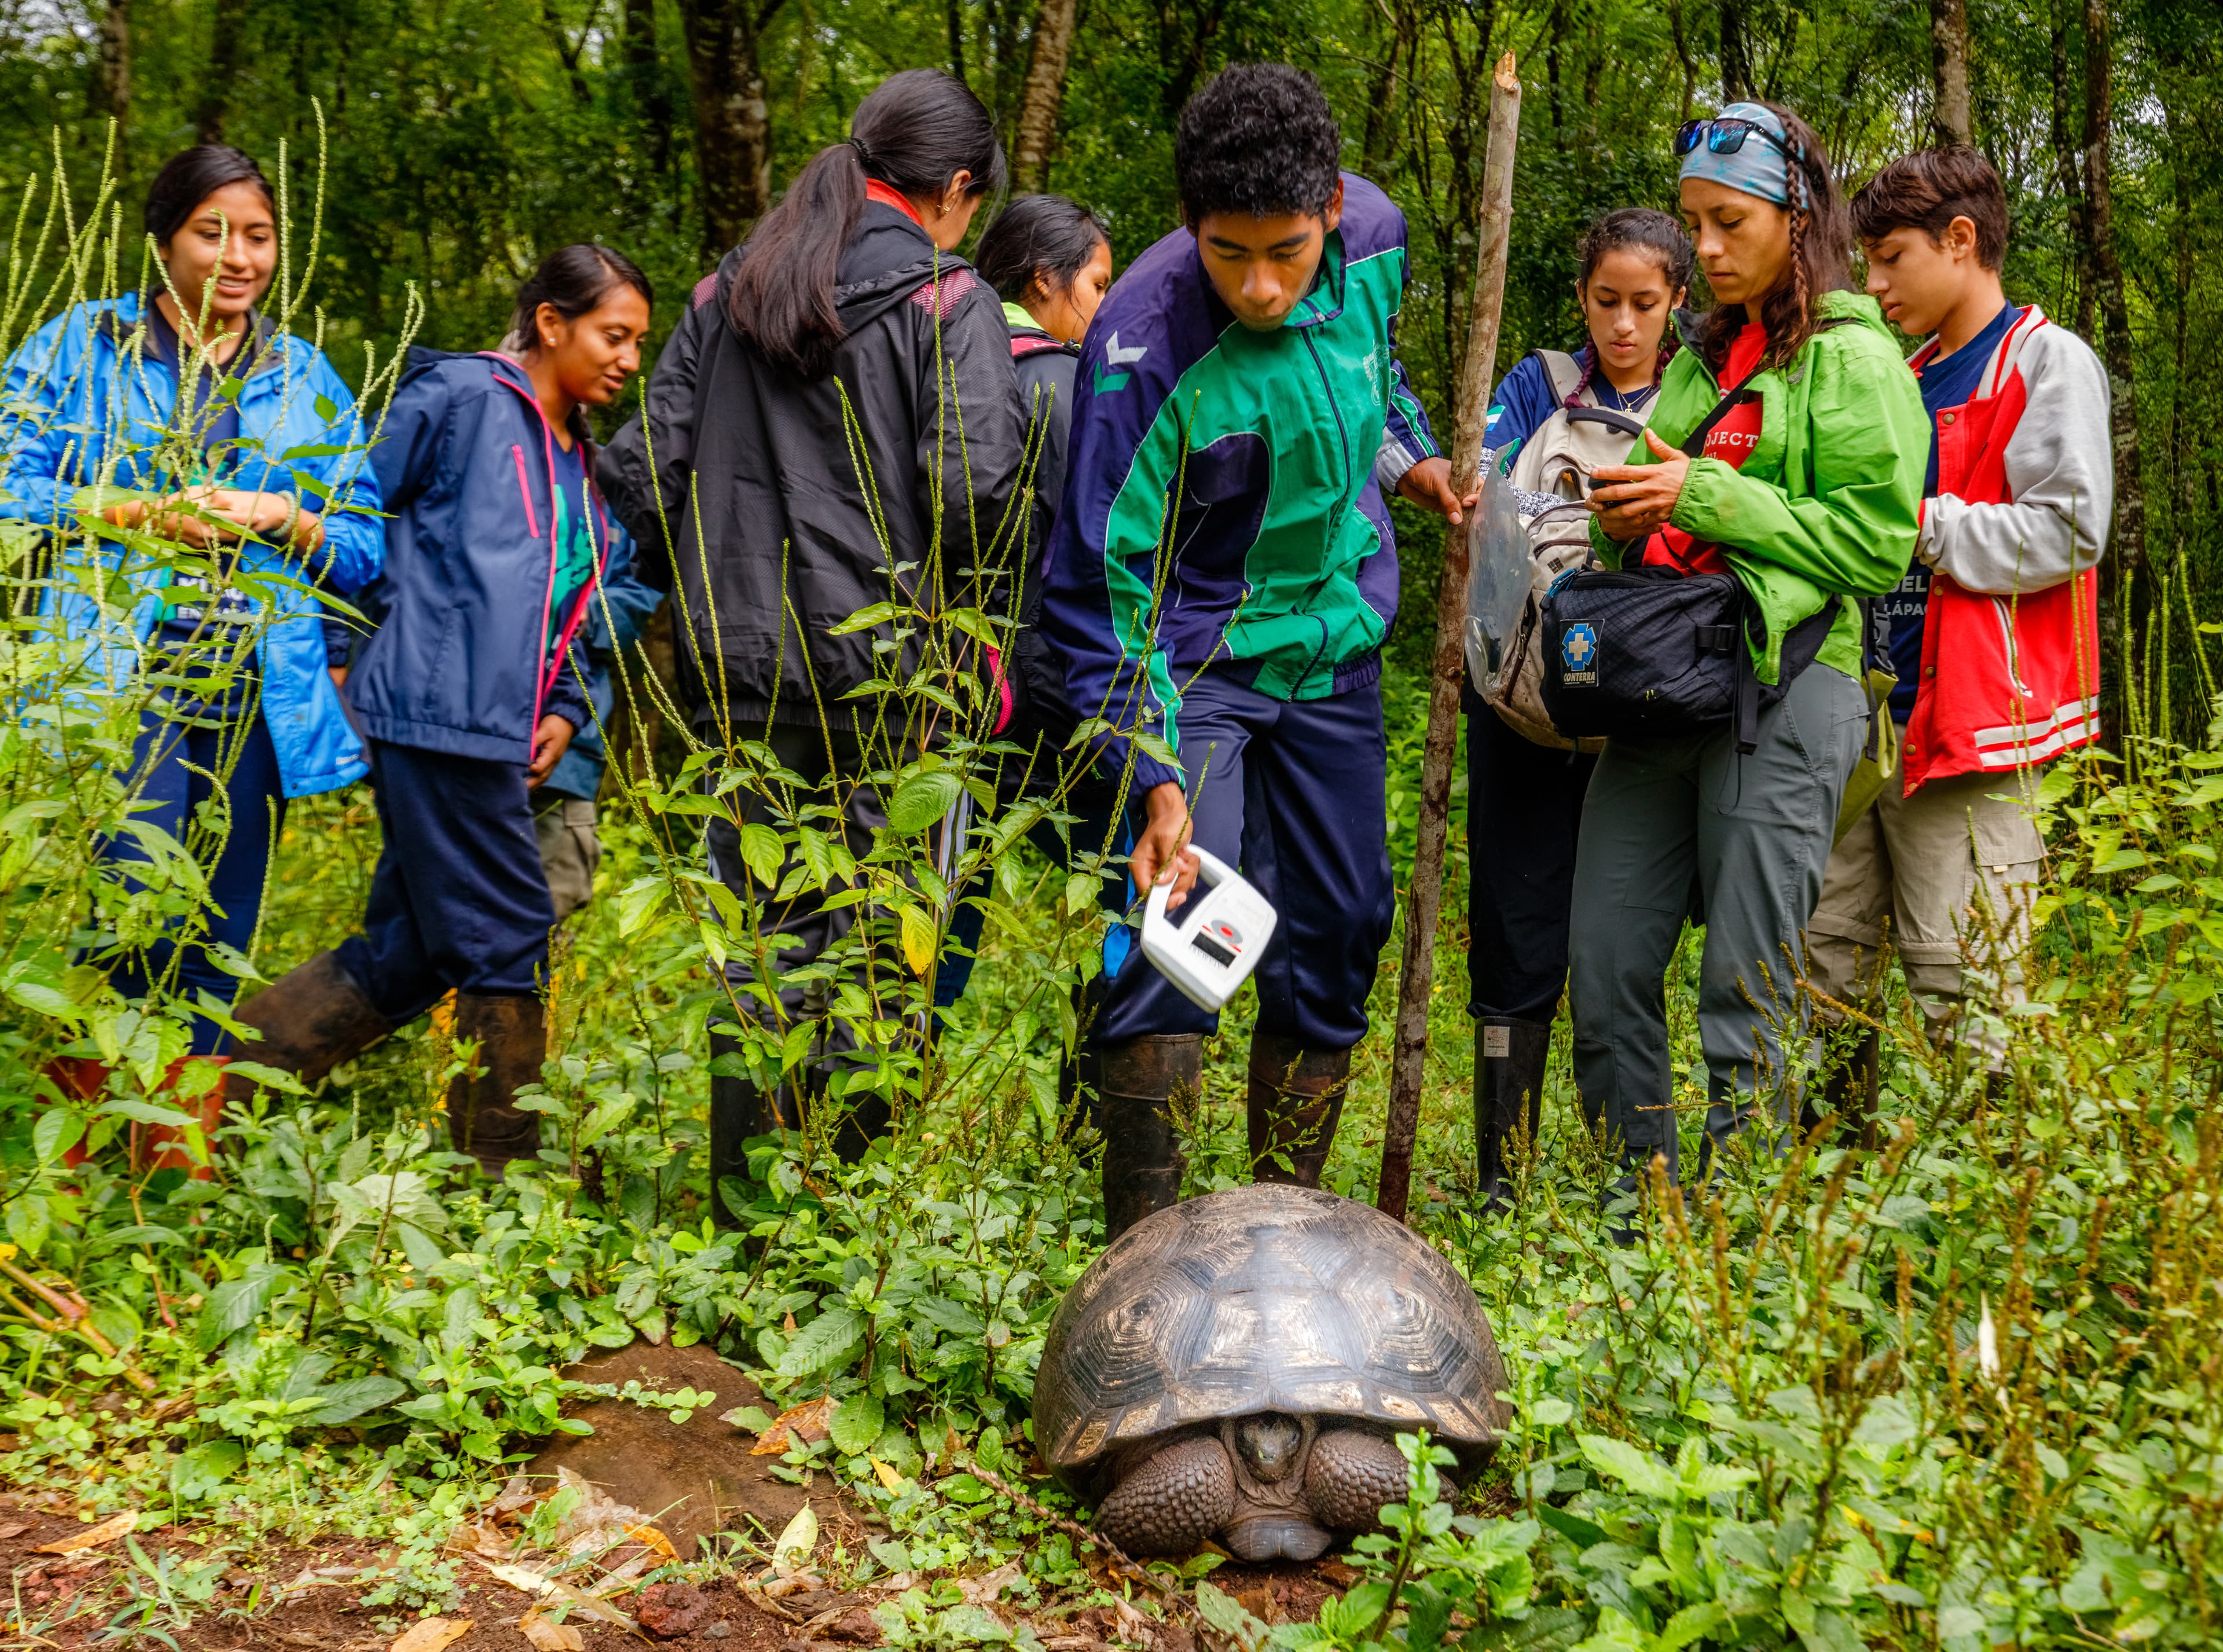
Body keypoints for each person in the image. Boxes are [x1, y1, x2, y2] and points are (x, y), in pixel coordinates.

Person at [1039, 63, 1470, 1238]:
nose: (1265, 286)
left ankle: (1292, 1238)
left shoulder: (1378, 239)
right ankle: (1148, 1247)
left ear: (1331, 207)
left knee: (1339, 924)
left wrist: (1413, 464)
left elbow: (1377, 391)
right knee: (1188, 927)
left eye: (1288, 250)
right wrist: (1154, 768)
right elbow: (1096, 584)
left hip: (1333, 648)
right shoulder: (1138, 346)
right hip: (1197, 672)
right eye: (1231, 256)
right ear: (1190, 229)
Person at [598, 69, 1028, 1201]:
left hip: (733, 674)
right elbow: (977, 490)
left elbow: (641, 473)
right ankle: (840, 1213)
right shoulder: (951, 303)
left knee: (760, 939)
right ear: (956, 190)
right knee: (883, 932)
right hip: (886, 677)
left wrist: (684, 591)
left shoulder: (721, 295)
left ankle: (749, 1212)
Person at [1565, 102, 1927, 1202]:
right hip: (1665, 689)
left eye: (1729, 224)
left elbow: (1876, 542)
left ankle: (1739, 1245)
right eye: (1695, 224)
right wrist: (1620, 521)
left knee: (1746, 982)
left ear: (1797, 215)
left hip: (1789, 688)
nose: (1707, 251)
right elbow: (1650, 497)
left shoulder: (1856, 361)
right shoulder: (1699, 361)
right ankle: (1636, 1211)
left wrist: (1706, 491)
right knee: (1607, 957)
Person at [229, 244, 654, 1176]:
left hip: (505, 731)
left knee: (415, 949)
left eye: (637, 343)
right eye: (613, 336)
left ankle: (214, 1088)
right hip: (430, 709)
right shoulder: (460, 401)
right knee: (509, 929)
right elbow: (351, 516)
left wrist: (568, 713)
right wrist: (343, 655)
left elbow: (584, 607)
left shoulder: (581, 466)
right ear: (552, 322)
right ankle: (500, 1173)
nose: (628, 359)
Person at [2, 145, 383, 1168]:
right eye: (213, 231)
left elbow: (364, 546)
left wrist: (288, 516)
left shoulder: (304, 377)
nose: (238, 256)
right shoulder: (84, 346)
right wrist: (131, 510)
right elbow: (9, 486)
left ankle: (176, 1171)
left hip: (253, 691)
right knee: (129, 912)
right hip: (121, 681)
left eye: (258, 235)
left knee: (219, 930)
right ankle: (83, 1171)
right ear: (164, 238)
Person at [1807, 145, 2110, 1113]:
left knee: (1964, 984)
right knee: (1825, 962)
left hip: (1975, 728)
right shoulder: (1897, 374)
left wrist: (1922, 524)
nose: (1878, 281)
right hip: (1867, 719)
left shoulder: (2045, 360)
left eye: (1892, 257)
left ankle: (1981, 1213)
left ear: (1963, 241)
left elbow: (2071, 526)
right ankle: (1820, 1202)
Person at [1465, 208, 1692, 1209]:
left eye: (1646, 304)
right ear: (1581, 299)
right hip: (1521, 699)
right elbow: (1484, 486)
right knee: (1516, 928)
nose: (1625, 325)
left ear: (1678, 302)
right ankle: (1501, 1179)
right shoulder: (1537, 387)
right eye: (1607, 302)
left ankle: (1632, 1176)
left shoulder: (1701, 395)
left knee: (1618, 940)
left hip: (1641, 715)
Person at [930, 194, 1114, 1015]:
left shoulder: (938, 361)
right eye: (1098, 285)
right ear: (1045, 281)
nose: (1104, 309)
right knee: (1126, 874)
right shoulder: (1068, 385)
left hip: (943, 680)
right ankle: (1111, 1094)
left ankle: (878, 1103)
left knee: (942, 894)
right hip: (1049, 684)